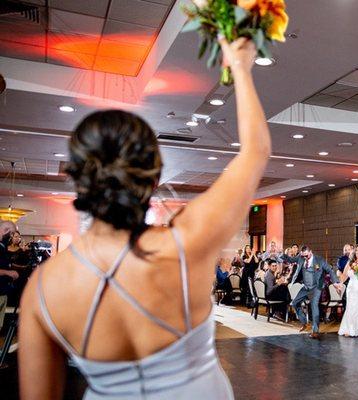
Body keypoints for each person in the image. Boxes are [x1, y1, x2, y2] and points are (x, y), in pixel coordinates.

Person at [18, 37, 270, 399]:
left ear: (78, 178)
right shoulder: (187, 241)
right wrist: (240, 67)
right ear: (154, 178)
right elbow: (255, 152)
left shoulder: (43, 289)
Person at [283, 245, 342, 339]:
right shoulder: (301, 257)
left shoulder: (319, 260)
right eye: (303, 256)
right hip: (306, 287)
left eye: (307, 256)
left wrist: (335, 282)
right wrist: (282, 254)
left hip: (316, 287)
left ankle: (315, 331)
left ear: (310, 252)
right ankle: (304, 322)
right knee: (294, 303)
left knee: (314, 306)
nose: (305, 258)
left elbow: (330, 270)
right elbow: (291, 260)